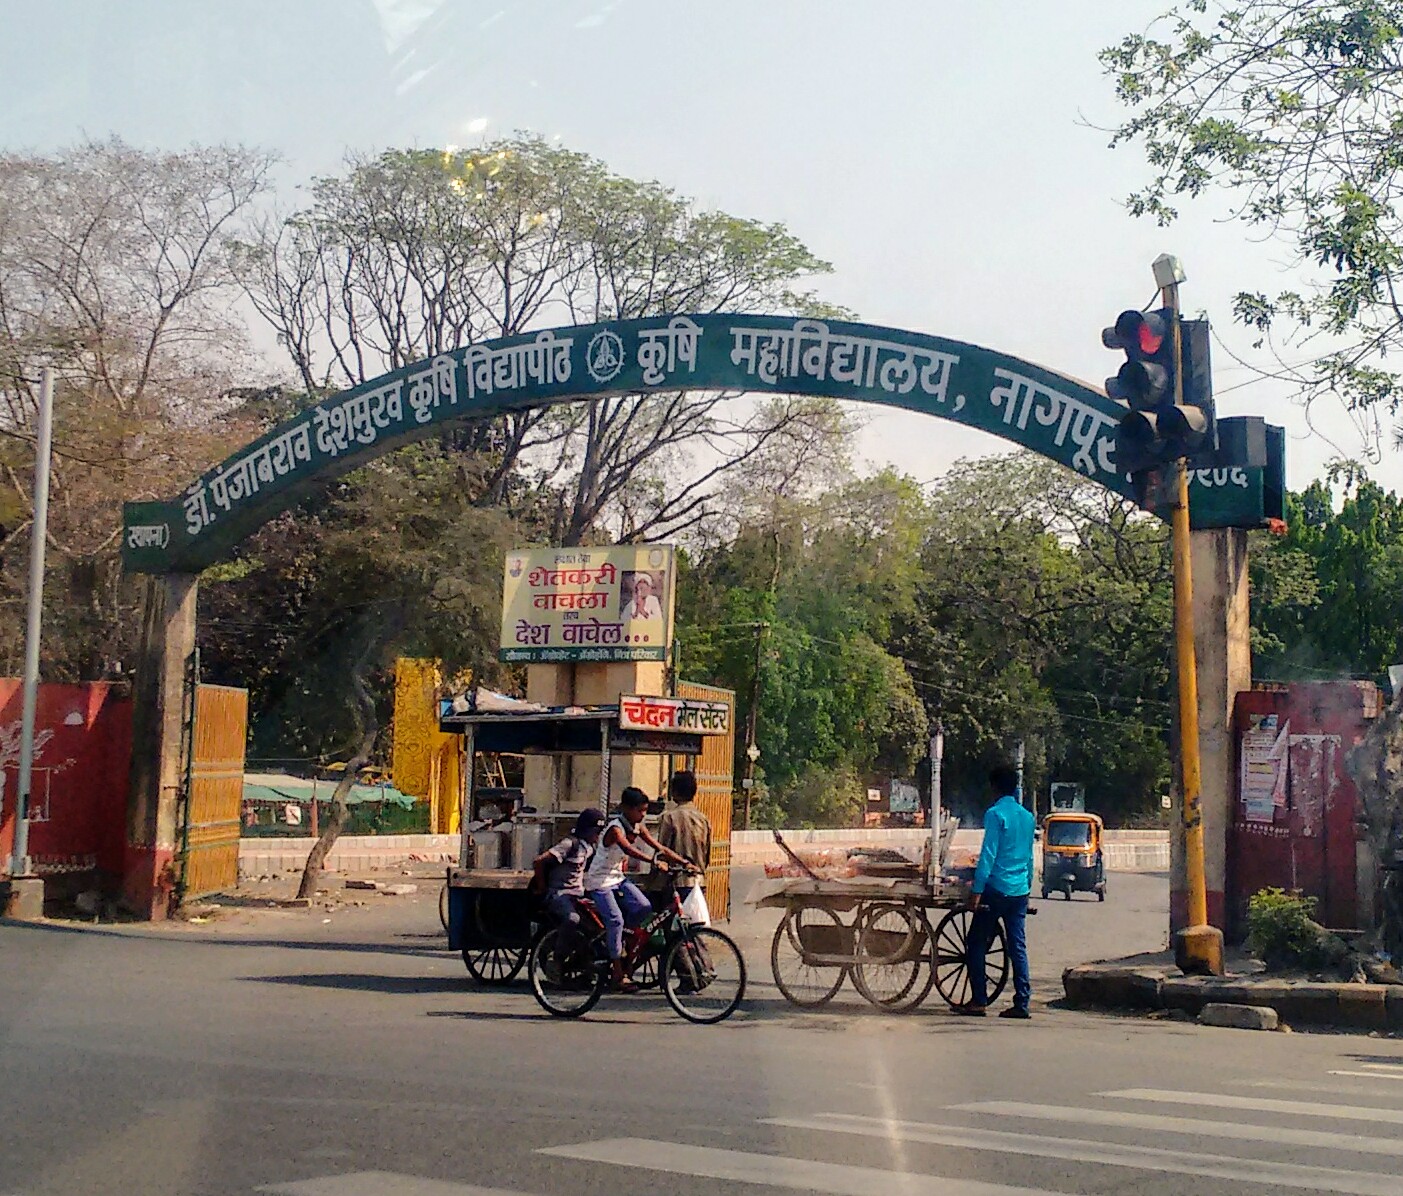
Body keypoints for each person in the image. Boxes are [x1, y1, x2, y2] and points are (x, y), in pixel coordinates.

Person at [583, 786, 693, 990]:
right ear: (626, 808)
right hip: (599, 882)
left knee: (644, 907)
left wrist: (685, 863)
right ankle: (617, 973)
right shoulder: (616, 828)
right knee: (615, 920)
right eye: (639, 811)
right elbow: (628, 849)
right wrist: (654, 862)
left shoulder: (637, 825)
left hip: (617, 879)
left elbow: (660, 848)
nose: (643, 815)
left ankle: (621, 942)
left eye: (645, 810)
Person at [960, 763, 1035, 1019]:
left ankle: (979, 999)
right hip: (1019, 891)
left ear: (994, 788)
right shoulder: (1027, 817)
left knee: (976, 942)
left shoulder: (995, 814)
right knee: (1017, 947)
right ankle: (1022, 1002)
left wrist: (977, 889)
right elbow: (1029, 858)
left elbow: (988, 856)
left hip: (996, 890)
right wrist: (1028, 887)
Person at [530, 807, 604, 936]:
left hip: (577, 894)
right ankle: (560, 953)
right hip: (559, 894)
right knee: (572, 919)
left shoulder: (589, 848)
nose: (597, 836)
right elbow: (539, 862)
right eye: (596, 832)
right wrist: (541, 887)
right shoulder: (569, 844)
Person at [646, 770, 711, 905]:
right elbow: (707, 855)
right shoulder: (703, 819)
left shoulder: (669, 817)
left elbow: (662, 850)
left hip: (675, 884)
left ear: (674, 791)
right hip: (698, 881)